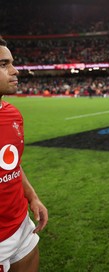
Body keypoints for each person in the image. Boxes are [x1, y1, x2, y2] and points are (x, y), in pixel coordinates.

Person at [0, 38, 48, 272]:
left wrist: (33, 197)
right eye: (3, 64)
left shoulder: (13, 114)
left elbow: (13, 165)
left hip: (21, 226)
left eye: (12, 63)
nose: (15, 70)